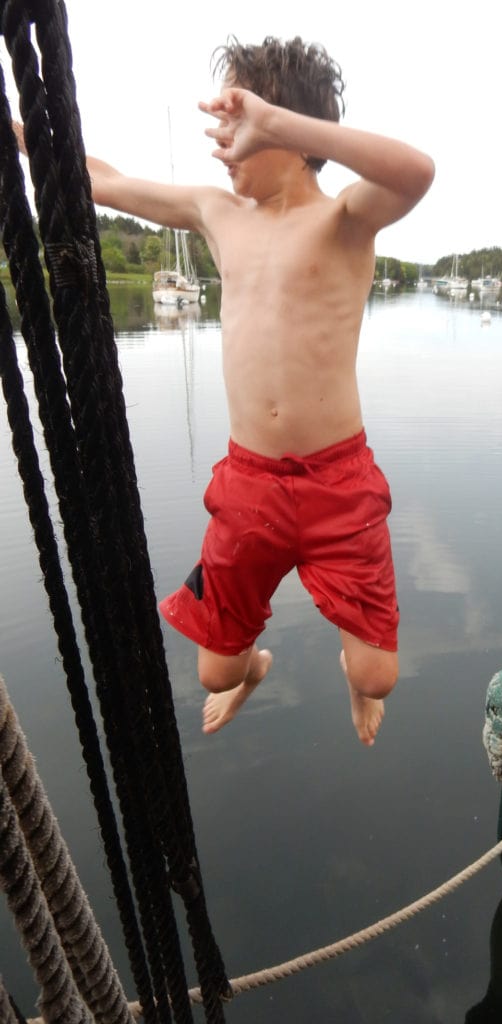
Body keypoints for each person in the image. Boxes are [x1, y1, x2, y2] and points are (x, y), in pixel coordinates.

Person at [15, 37, 433, 746]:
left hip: (339, 482)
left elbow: (416, 172)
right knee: (216, 671)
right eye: (222, 135)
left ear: (287, 132)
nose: (223, 149)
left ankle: (352, 679)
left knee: (376, 676)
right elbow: (108, 182)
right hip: (251, 483)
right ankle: (256, 668)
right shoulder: (217, 213)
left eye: (236, 133)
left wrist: (274, 122)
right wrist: (25, 137)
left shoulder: (346, 217)